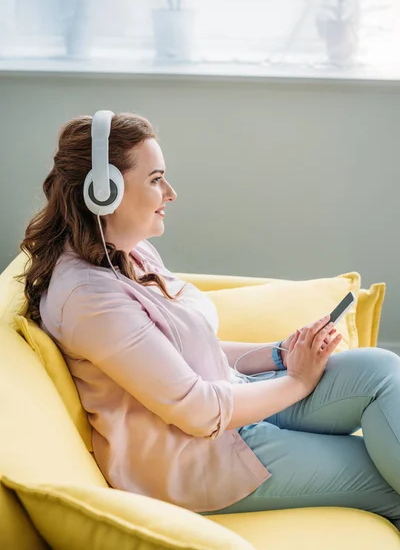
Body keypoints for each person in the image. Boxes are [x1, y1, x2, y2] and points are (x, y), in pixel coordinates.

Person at [18, 111, 400, 529]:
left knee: (379, 369)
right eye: (155, 178)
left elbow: (184, 352)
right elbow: (198, 411)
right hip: (199, 457)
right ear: (104, 193)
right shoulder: (88, 301)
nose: (171, 192)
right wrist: (298, 382)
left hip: (234, 401)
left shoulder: (129, 252)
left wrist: (279, 354)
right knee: (387, 483)